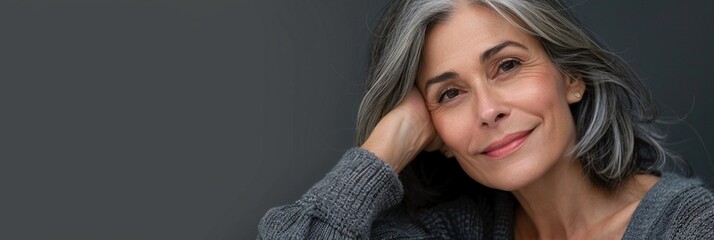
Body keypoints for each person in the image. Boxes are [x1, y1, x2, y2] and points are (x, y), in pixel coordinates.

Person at [258, 0, 714, 239]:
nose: (488, 109)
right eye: (451, 94)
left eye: (508, 65)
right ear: (434, 135)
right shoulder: (450, 231)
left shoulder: (687, 226)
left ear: (571, 76)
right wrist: (388, 144)